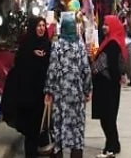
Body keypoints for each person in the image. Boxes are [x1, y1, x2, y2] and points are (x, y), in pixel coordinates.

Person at [44, 12, 92, 158]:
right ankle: (76, 152)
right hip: (76, 94)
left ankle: (58, 151)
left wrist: (49, 91)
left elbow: (52, 69)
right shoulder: (80, 46)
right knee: (76, 126)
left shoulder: (57, 46)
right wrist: (87, 89)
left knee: (59, 123)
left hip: (61, 93)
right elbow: (86, 69)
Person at [14, 16, 51, 158]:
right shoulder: (26, 45)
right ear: (33, 28)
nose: (41, 28)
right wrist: (31, 54)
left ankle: (37, 150)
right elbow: (19, 64)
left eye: (43, 26)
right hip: (28, 94)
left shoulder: (47, 44)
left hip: (42, 93)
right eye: (38, 26)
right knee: (30, 127)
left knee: (39, 125)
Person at [92, 16, 127, 158]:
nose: (103, 27)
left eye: (107, 25)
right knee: (107, 117)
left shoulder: (112, 44)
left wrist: (95, 67)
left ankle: (111, 147)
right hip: (107, 86)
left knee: (108, 118)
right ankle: (113, 144)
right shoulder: (109, 41)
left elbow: (111, 66)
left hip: (108, 87)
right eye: (103, 25)